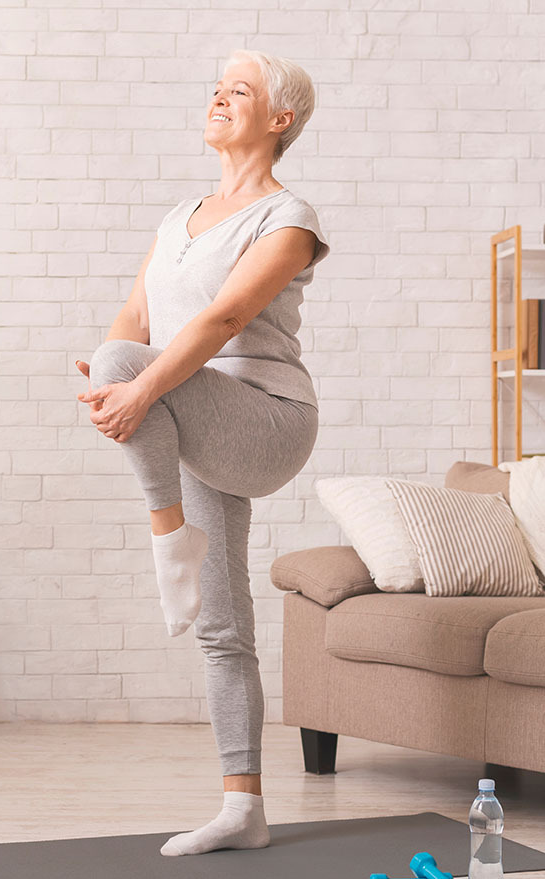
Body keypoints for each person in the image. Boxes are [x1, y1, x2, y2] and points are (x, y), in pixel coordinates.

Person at [74, 49, 330, 857]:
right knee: (222, 626)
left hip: (267, 419)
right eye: (216, 88)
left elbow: (222, 321)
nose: (219, 98)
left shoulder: (289, 220)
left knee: (126, 369)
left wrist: (135, 386)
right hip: (194, 413)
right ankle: (243, 806)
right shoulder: (178, 216)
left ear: (279, 119)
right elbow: (133, 314)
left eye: (240, 91)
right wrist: (112, 387)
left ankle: (165, 533)